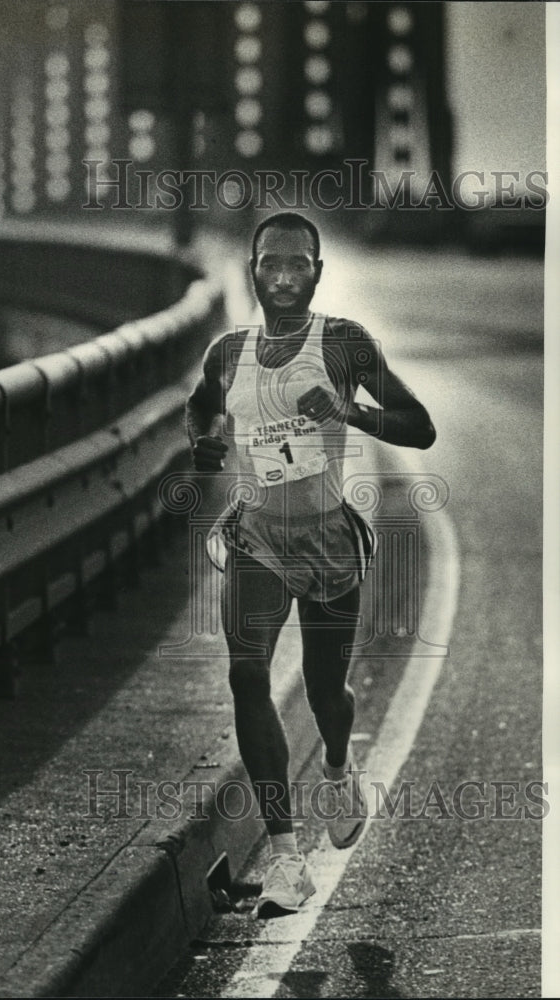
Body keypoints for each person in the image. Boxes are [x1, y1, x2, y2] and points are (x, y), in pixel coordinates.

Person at [185, 212, 435, 917]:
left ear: (318, 272)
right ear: (253, 271)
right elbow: (201, 410)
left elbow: (421, 425)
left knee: (328, 694)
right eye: (272, 263)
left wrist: (352, 413)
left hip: (327, 539)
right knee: (245, 673)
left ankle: (337, 763)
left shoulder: (344, 344)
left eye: (300, 264)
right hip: (257, 538)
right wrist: (204, 448)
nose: (285, 276)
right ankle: (287, 858)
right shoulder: (227, 353)